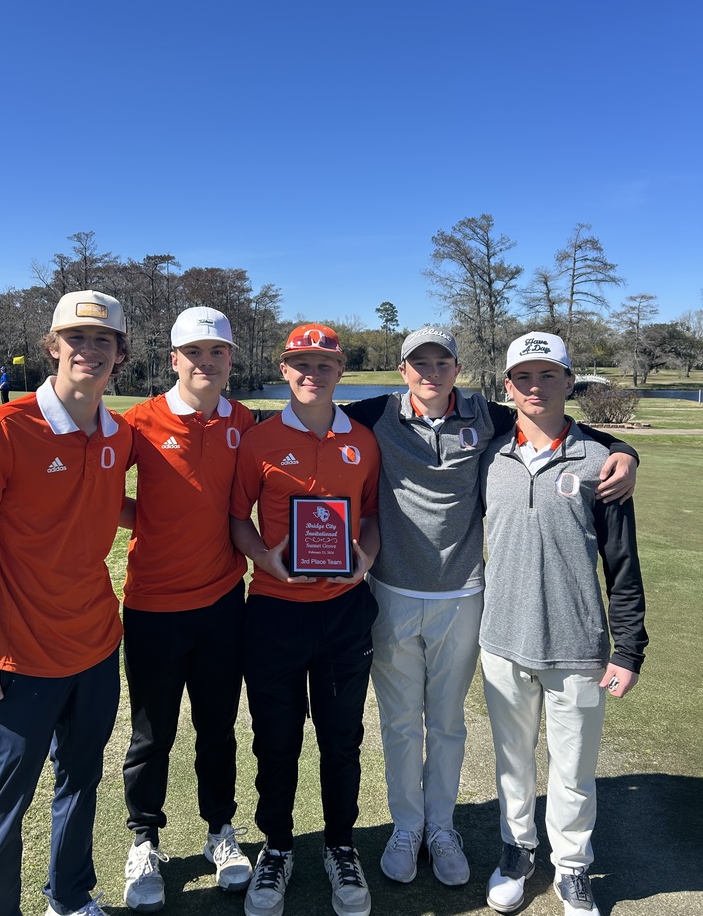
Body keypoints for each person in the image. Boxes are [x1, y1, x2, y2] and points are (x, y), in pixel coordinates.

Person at [339, 325, 638, 889]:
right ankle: (407, 827)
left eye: (441, 362)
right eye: (417, 363)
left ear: (458, 369)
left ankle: (442, 826)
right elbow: (309, 409)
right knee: (401, 723)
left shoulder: (487, 416)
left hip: (464, 596)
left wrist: (623, 450)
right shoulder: (375, 412)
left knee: (448, 723)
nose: (429, 372)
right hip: (392, 593)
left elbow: (554, 419)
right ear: (402, 371)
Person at [0, 290, 133, 916]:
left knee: (82, 780)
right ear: (53, 348)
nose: (89, 349)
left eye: (103, 340)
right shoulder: (2, 429)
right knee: (7, 798)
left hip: (98, 645)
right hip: (19, 656)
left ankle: (70, 897)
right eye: (76, 339)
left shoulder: (117, 433)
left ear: (119, 356)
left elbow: (115, 505)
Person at [480, 331, 648, 916]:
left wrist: (627, 649)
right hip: (501, 641)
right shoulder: (489, 455)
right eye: (523, 376)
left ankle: (572, 867)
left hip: (579, 647)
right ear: (507, 386)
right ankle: (517, 852)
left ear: (569, 383)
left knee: (574, 772)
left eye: (548, 375)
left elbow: (622, 563)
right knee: (513, 763)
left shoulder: (603, 462)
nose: (535, 385)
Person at [229, 324, 381, 916]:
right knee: (276, 741)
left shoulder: (363, 440)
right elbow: (238, 516)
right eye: (299, 364)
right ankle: (278, 846)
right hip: (273, 612)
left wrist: (363, 560)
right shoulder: (259, 440)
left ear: (340, 371)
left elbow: (368, 515)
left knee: (342, 739)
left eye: (323, 364)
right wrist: (263, 557)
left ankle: (341, 844)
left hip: (344, 614)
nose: (310, 374)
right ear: (284, 369)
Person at [118, 307, 256, 912]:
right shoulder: (138, 422)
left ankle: (219, 832)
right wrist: (142, 518)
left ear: (230, 360)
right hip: (151, 604)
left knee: (218, 727)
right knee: (152, 732)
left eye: (217, 353)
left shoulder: (245, 422)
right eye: (194, 353)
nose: (206, 362)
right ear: (173, 358)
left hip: (223, 600)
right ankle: (144, 837)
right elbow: (96, 491)